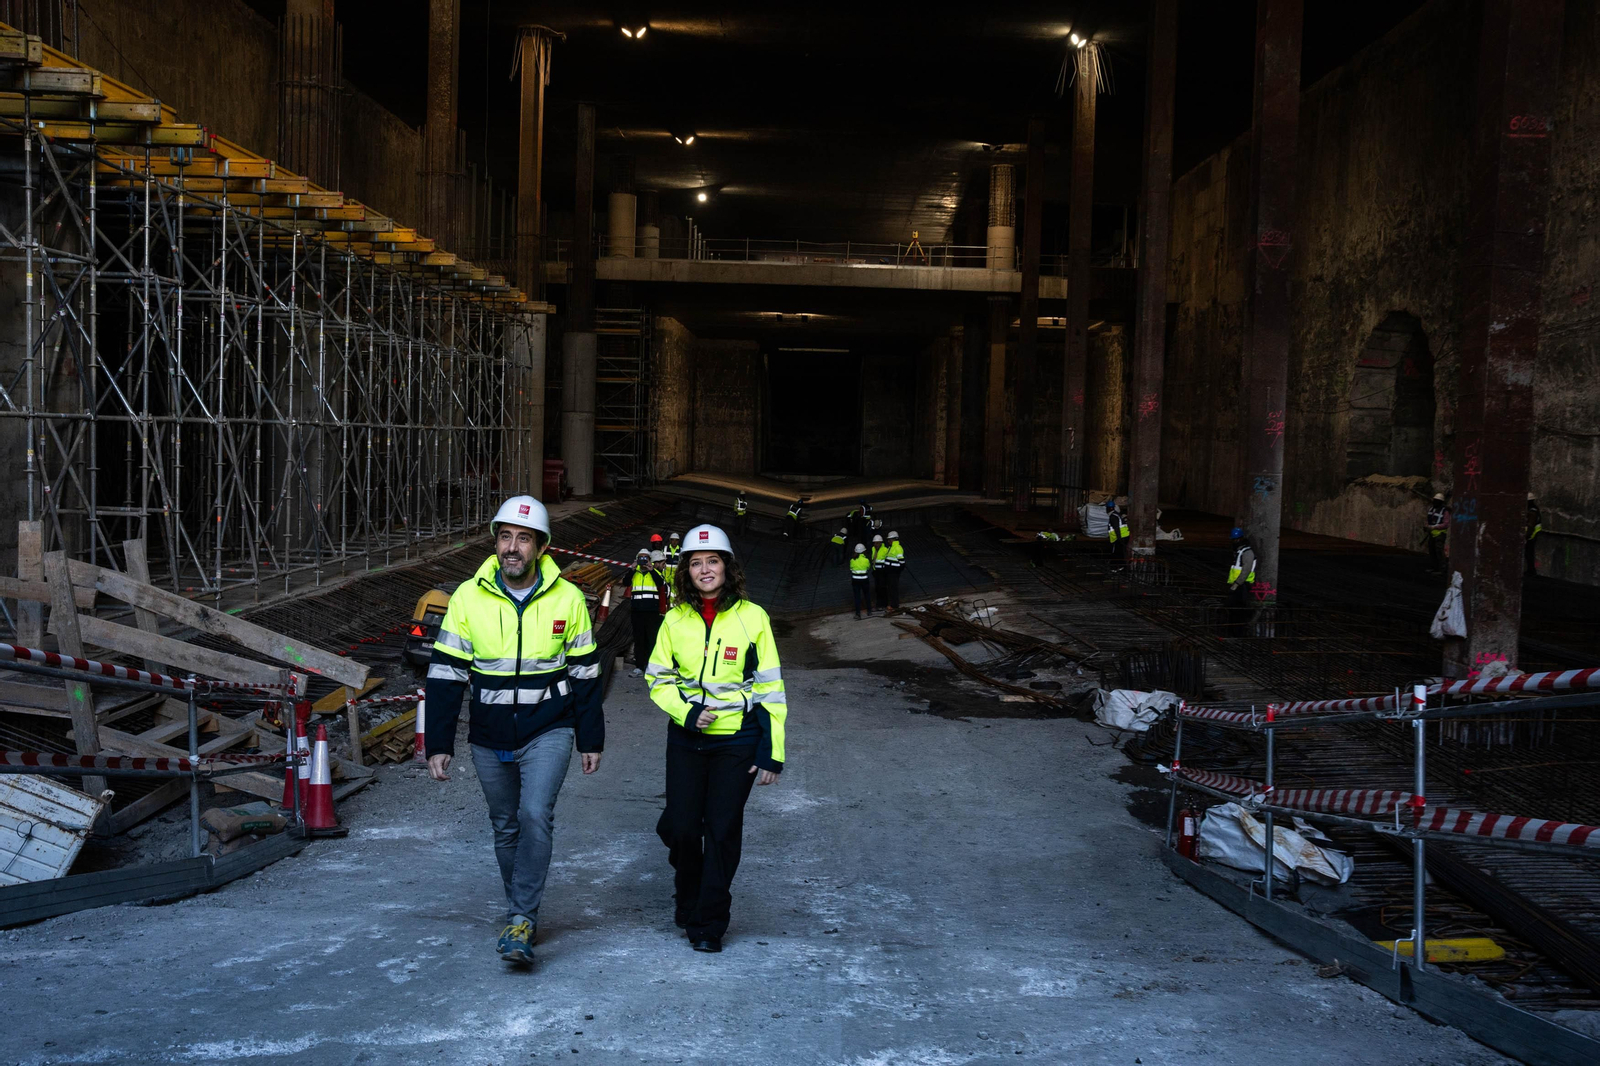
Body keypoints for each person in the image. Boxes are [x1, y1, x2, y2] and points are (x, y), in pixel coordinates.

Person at [424, 495, 604, 966]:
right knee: (504, 826)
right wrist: (437, 743)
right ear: (495, 541)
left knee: (533, 814)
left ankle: (522, 916)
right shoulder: (468, 596)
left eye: (523, 538)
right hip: (489, 732)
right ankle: (518, 912)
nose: (512, 546)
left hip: (550, 727)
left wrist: (591, 738)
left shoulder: (567, 598)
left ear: (540, 547)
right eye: (505, 536)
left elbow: (586, 673)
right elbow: (444, 674)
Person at [646, 524, 787, 953]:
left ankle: (708, 922)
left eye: (712, 561)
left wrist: (771, 752)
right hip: (687, 739)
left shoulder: (753, 618)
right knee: (684, 829)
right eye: (695, 563)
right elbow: (657, 679)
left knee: (722, 830)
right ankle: (687, 894)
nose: (705, 570)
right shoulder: (674, 620)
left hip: (737, 741)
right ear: (685, 571)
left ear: (727, 566)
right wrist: (687, 713)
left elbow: (770, 689)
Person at [628, 548, 668, 676]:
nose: (643, 560)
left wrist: (651, 570)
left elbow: (660, 583)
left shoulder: (655, 572)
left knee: (652, 639)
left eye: (646, 558)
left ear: (650, 560)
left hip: (651, 612)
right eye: (641, 558)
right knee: (639, 639)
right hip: (637, 611)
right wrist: (632, 569)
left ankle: (651, 667)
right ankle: (639, 666)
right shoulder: (635, 573)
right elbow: (625, 582)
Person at [1226, 526, 1257, 637]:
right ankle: (1233, 632)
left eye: (1234, 540)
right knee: (1233, 609)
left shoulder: (1247, 552)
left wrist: (1237, 583)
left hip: (1242, 586)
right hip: (1237, 585)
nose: (1233, 542)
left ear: (1239, 539)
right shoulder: (1239, 552)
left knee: (1239, 610)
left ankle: (1238, 633)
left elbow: (1246, 570)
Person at [1425, 492, 1450, 573]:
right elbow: (1428, 520)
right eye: (1435, 500)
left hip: (1440, 534)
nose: (1435, 502)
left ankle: (1442, 569)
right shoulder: (1431, 509)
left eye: (1437, 501)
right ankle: (1434, 567)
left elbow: (1446, 524)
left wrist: (1435, 527)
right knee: (1432, 551)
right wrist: (1427, 527)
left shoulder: (1444, 511)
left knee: (1439, 551)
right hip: (1432, 534)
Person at [883, 530, 906, 611]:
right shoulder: (891, 547)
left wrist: (898, 570)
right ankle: (893, 604)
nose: (888, 541)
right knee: (891, 588)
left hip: (894, 572)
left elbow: (902, 561)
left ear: (893, 539)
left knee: (893, 588)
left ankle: (894, 605)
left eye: (889, 539)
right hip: (891, 572)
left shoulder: (897, 548)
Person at [849, 542, 872, 618]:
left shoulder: (852, 560)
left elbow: (851, 569)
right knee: (867, 595)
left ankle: (858, 613)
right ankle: (869, 611)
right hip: (864, 580)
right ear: (863, 551)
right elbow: (868, 568)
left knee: (857, 596)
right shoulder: (866, 560)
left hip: (855, 580)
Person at [870, 534, 889, 610]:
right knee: (877, 588)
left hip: (882, 571)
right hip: (876, 571)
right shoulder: (873, 549)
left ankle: (884, 603)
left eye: (877, 543)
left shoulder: (885, 550)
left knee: (883, 587)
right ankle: (879, 603)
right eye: (874, 543)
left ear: (881, 543)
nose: (875, 544)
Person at [1526, 493, 1543, 576]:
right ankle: (1530, 570)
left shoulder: (1532, 510)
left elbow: (1530, 525)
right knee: (1529, 553)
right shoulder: (1533, 509)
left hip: (1531, 534)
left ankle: (1531, 571)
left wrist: (1527, 535)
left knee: (1528, 552)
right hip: (1532, 534)